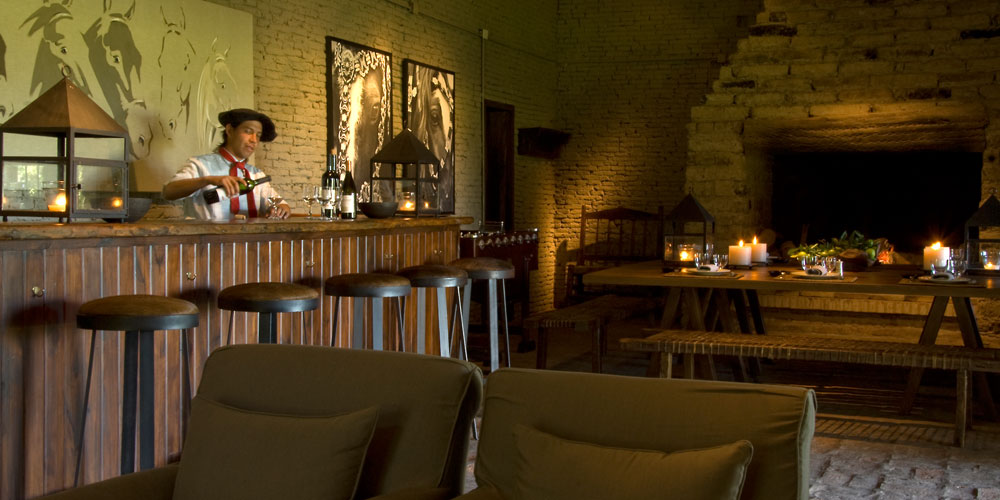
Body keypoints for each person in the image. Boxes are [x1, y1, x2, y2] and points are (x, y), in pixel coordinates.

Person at [163, 108, 290, 220]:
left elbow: (278, 202)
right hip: (208, 238)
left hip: (249, 239)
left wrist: (281, 208)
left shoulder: (257, 175)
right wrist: (208, 180)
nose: (254, 140)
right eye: (248, 131)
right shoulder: (200, 164)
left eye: (258, 135)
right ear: (229, 130)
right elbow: (169, 192)